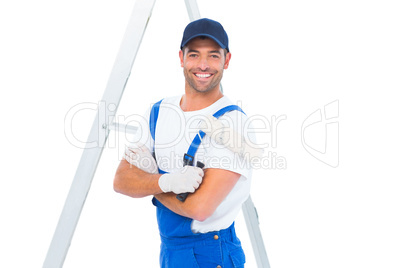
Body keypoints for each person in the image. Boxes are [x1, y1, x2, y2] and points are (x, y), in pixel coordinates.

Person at [114, 18, 257, 268]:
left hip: (211, 254)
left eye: (213, 55)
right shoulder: (159, 111)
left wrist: (150, 179)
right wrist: (168, 182)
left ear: (227, 60)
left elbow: (201, 208)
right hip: (170, 250)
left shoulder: (234, 125)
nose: (203, 65)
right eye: (194, 54)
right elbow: (121, 180)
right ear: (181, 58)